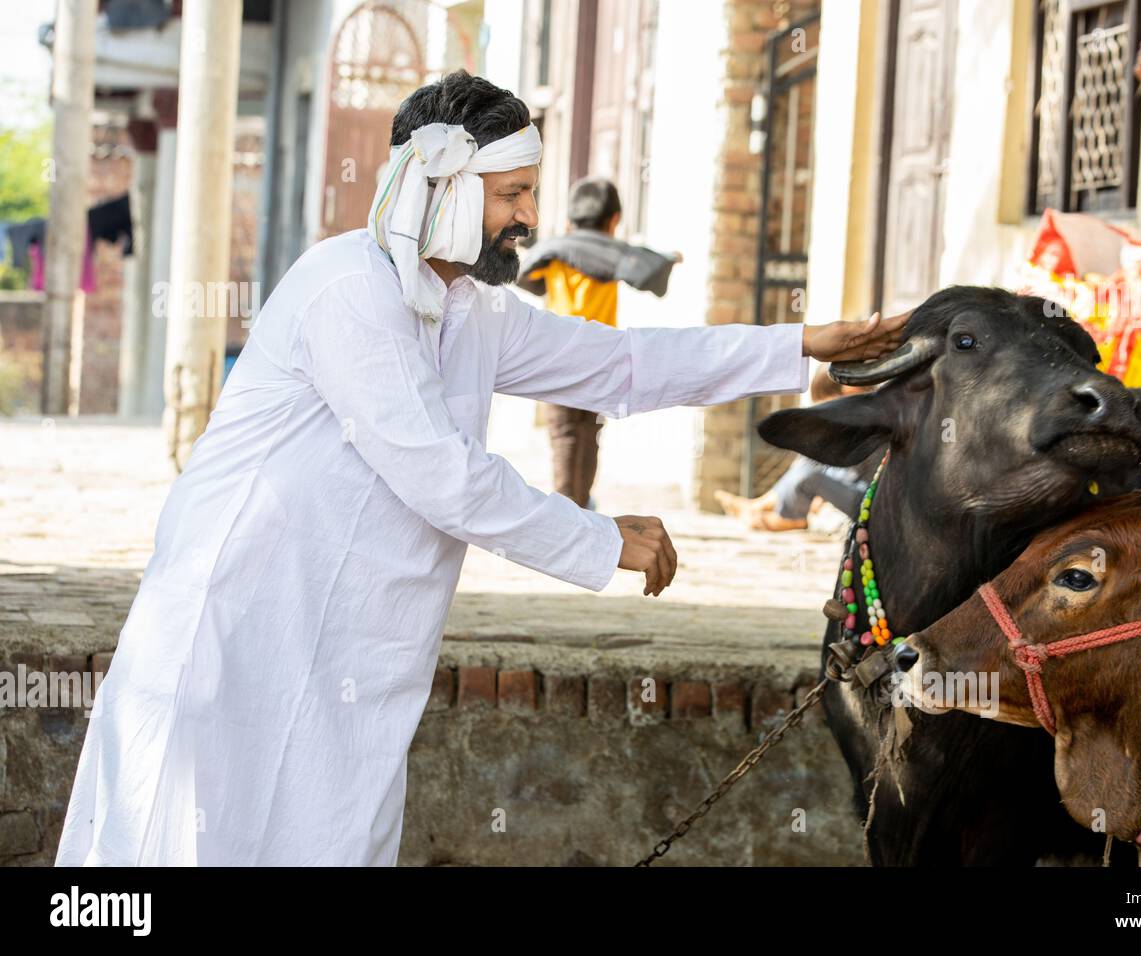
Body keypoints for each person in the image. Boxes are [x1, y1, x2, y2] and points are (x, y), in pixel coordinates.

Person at [55, 71, 905, 867]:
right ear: (441, 187)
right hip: (241, 625)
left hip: (351, 657)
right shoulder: (348, 290)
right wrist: (599, 538)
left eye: (528, 192)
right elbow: (442, 475)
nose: (528, 217)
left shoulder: (473, 309)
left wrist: (798, 347)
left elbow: (625, 363)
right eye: (512, 194)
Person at [516, 177, 681, 509]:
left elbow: (525, 275)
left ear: (569, 220)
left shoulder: (553, 252)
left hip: (556, 355)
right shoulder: (614, 254)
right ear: (614, 220)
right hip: (600, 357)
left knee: (564, 433)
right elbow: (647, 263)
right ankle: (577, 504)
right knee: (589, 432)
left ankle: (568, 503)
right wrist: (671, 257)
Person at [714, 355, 898, 532]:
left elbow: (860, 473)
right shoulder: (868, 412)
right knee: (805, 465)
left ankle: (785, 518)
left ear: (849, 390)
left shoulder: (868, 418)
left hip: (869, 501)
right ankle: (759, 506)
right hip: (858, 490)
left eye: (828, 404)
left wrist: (827, 489)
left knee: (810, 472)